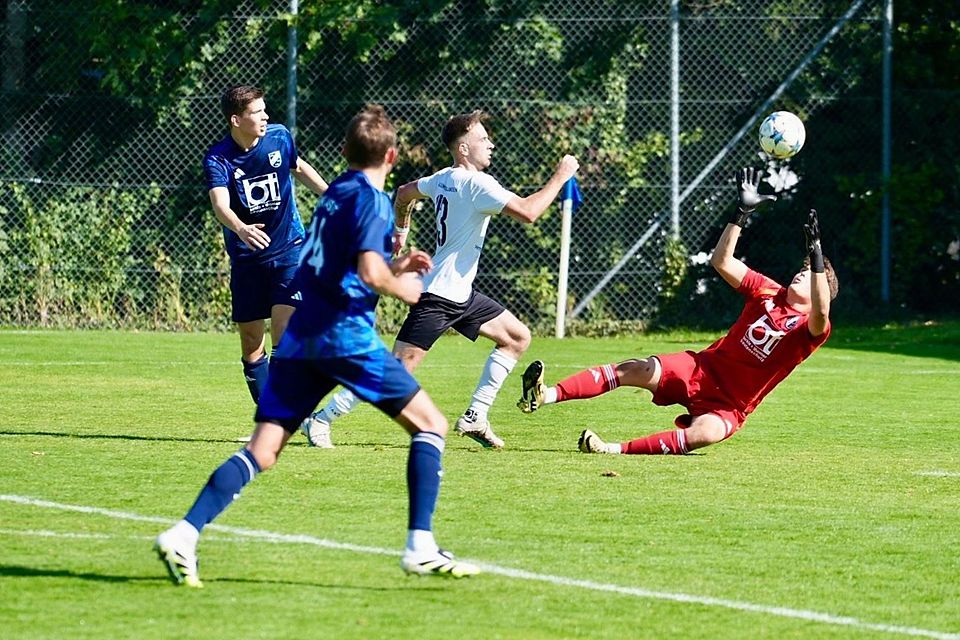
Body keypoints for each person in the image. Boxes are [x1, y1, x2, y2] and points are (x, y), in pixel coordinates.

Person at [155, 104, 480, 587]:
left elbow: (338, 263)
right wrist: (403, 285)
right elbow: (370, 272)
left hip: (304, 334)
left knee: (263, 450)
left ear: (346, 152)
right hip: (343, 336)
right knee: (431, 425)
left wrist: (394, 265)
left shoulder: (336, 196)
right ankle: (420, 546)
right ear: (391, 156)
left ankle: (184, 532)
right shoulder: (371, 199)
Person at [301, 110, 579, 450]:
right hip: (439, 296)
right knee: (395, 372)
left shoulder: (442, 178)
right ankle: (320, 418)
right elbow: (529, 212)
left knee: (516, 337)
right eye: (482, 139)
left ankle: (476, 415)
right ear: (463, 149)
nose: (491, 144)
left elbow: (403, 193)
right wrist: (561, 175)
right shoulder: (478, 184)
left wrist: (400, 230)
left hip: (459, 293)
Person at [517, 167, 839, 455]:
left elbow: (822, 311)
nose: (804, 273)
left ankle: (611, 449)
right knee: (635, 368)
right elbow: (722, 262)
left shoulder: (809, 331)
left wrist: (817, 254)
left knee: (706, 434)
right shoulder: (769, 290)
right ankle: (543, 395)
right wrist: (740, 213)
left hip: (729, 405)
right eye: (805, 269)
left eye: (813, 275)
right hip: (701, 369)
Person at [203, 84, 328, 410]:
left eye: (264, 110)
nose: (265, 116)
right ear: (235, 120)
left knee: (285, 334)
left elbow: (298, 167)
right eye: (256, 112)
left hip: (289, 248)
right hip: (247, 259)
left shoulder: (279, 136)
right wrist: (241, 228)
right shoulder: (218, 158)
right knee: (250, 344)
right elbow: (220, 204)